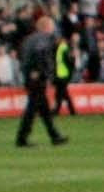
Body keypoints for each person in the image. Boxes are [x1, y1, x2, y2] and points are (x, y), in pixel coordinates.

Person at [15, 14, 71, 147]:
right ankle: (22, 138)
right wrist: (41, 72)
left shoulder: (30, 39)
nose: (53, 29)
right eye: (52, 26)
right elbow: (40, 54)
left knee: (44, 109)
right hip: (37, 77)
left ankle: (54, 135)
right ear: (46, 27)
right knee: (32, 107)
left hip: (30, 76)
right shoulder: (43, 39)